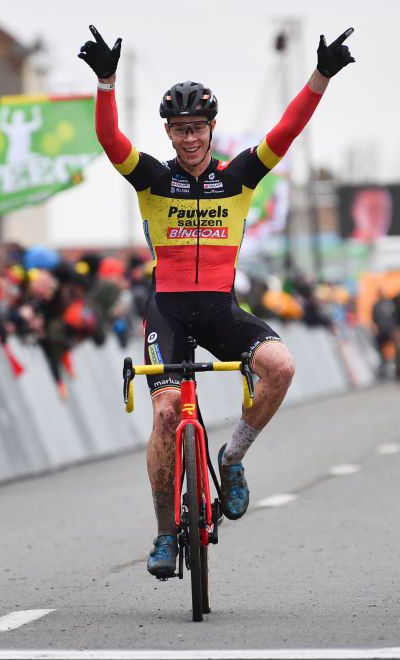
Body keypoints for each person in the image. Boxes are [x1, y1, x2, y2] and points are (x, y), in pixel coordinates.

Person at [79, 23, 355, 578]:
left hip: (221, 310)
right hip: (169, 311)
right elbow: (111, 142)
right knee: (163, 415)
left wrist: (320, 76)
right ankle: (162, 535)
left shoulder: (240, 179)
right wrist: (107, 81)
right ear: (169, 132)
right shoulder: (153, 180)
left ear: (211, 129)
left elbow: (288, 129)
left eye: (197, 128)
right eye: (179, 129)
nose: (188, 139)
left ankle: (232, 459)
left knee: (280, 367)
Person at [371, 288, 395, 379]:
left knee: (390, 349)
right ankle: (384, 367)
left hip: (388, 330)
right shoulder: (378, 305)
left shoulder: (389, 304)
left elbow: (394, 317)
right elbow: (373, 319)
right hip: (382, 331)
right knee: (381, 350)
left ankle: (390, 365)